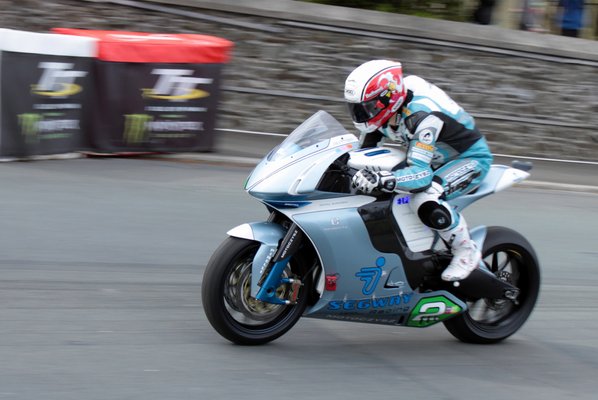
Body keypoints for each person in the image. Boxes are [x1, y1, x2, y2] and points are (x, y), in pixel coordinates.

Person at [345, 60, 493, 281]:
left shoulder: (422, 117)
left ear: (388, 98)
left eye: (368, 107)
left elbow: (421, 176)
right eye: (357, 108)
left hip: (469, 158)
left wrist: (384, 179)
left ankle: (466, 251)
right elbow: (361, 154)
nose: (361, 114)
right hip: (432, 158)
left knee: (425, 198)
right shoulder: (383, 112)